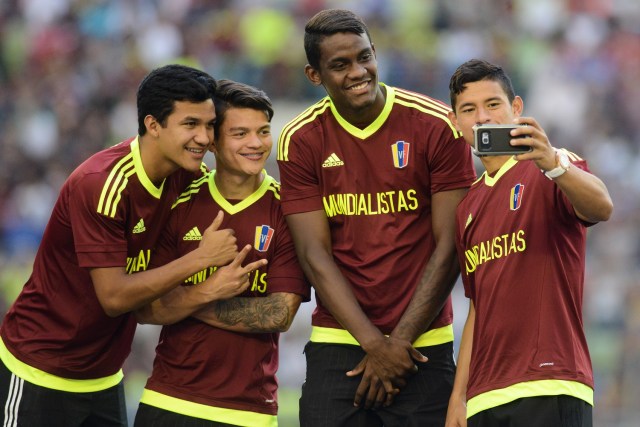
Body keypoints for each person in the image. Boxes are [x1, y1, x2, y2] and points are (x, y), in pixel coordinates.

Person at [0, 64, 248, 427]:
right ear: (153, 125)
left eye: (209, 125)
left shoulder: (190, 179)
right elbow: (114, 298)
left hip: (104, 377)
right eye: (190, 124)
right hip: (40, 370)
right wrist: (202, 259)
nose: (204, 138)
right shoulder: (101, 184)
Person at [276, 9, 476, 426]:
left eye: (364, 57)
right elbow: (314, 254)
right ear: (315, 75)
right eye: (340, 65)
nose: (358, 72)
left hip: (423, 343)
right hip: (339, 341)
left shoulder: (438, 125)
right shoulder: (300, 139)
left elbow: (451, 245)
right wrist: (375, 345)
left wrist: (397, 343)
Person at [445, 59, 613, 427]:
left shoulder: (547, 167)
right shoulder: (467, 207)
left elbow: (602, 206)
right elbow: (478, 306)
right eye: (469, 110)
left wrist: (553, 162)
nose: (483, 118)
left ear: (516, 109)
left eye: (493, 105)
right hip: (485, 394)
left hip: (549, 383)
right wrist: (459, 396)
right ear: (457, 124)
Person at [133, 79, 310, 427]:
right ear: (212, 141)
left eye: (263, 131)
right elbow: (146, 306)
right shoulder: (178, 201)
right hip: (168, 400)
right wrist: (209, 289)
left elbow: (279, 314)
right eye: (241, 133)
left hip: (249, 411)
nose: (256, 144)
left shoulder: (288, 210)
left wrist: (188, 300)